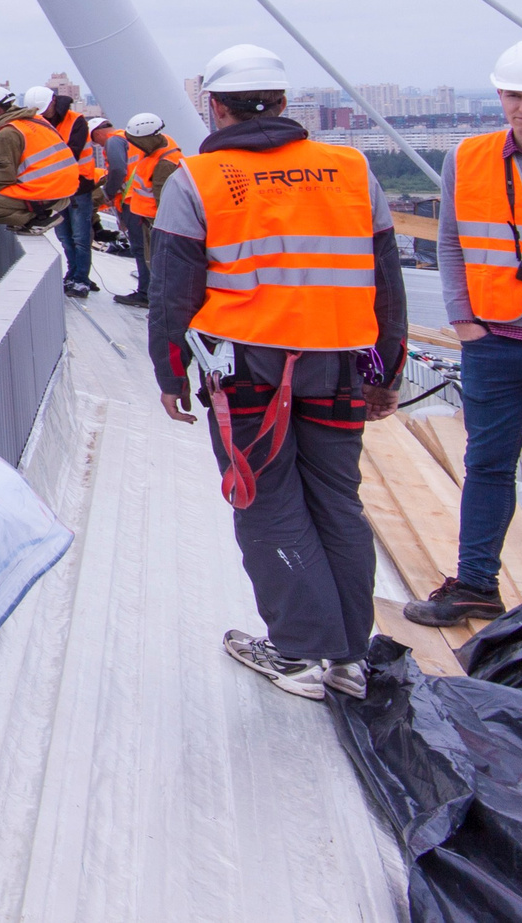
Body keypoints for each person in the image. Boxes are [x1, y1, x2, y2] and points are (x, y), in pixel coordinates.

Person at [146, 44, 404, 701]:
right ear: (286, 103)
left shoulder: (197, 179)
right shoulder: (352, 169)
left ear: (216, 106)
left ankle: (299, 653)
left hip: (248, 373)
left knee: (266, 502)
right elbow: (387, 281)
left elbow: (174, 293)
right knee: (338, 503)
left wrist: (172, 375)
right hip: (340, 368)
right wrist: (388, 373)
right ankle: (348, 658)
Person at [402, 37, 522, 629]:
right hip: (495, 339)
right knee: (487, 465)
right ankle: (476, 587)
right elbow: (451, 242)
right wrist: (463, 320)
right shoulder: (470, 157)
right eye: (514, 96)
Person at [0, 84, 81, 233]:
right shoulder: (35, 120)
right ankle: (38, 215)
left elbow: (1, 180)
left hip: (46, 193)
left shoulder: (7, 133)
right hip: (65, 191)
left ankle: (40, 218)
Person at [108, 112, 182, 310]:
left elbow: (163, 201)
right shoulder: (159, 146)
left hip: (154, 222)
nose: (136, 146)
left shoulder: (164, 163)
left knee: (153, 260)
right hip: (145, 217)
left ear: (149, 138)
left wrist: (160, 227)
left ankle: (153, 299)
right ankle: (152, 297)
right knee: (149, 258)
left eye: (137, 142)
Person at [43, 89, 102, 298]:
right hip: (57, 187)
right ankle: (74, 274)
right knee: (64, 236)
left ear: (53, 103)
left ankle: (81, 279)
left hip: (79, 186)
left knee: (80, 237)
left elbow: (72, 153)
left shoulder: (76, 120)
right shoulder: (41, 121)